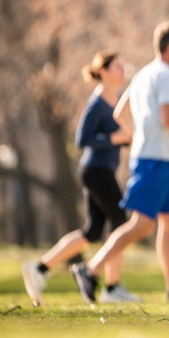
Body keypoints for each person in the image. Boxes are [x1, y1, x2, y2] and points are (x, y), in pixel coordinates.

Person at [72, 22, 169, 303]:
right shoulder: (168, 76)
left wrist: (138, 134)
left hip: (155, 157)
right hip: (154, 159)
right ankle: (90, 269)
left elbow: (121, 112)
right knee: (142, 225)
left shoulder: (144, 74)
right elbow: (168, 118)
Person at [21, 52, 140, 305]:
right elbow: (82, 140)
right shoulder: (97, 103)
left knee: (93, 231)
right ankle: (112, 287)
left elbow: (121, 137)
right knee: (120, 223)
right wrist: (114, 138)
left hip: (101, 171)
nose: (123, 71)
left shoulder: (116, 100)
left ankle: (40, 268)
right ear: (104, 71)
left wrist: (128, 139)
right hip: (95, 171)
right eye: (118, 66)